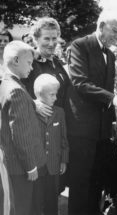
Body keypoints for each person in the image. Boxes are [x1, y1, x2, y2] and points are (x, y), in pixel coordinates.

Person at [66, 10, 117, 215]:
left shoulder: (110, 54)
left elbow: (108, 91)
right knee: (80, 184)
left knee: (97, 182)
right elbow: (80, 83)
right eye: (114, 30)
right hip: (82, 130)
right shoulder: (79, 46)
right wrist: (113, 98)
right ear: (100, 26)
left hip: (103, 132)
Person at [22, 17, 70, 193]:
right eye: (46, 39)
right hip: (37, 137)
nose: (51, 43)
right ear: (36, 39)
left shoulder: (57, 62)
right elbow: (13, 91)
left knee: (51, 192)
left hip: (57, 134)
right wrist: (34, 104)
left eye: (54, 38)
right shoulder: (29, 62)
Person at [0, 40, 46, 215]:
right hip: (21, 167)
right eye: (29, 62)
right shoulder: (16, 90)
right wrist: (30, 166)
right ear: (16, 60)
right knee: (22, 207)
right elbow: (20, 133)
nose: (32, 67)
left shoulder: (6, 84)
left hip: (11, 162)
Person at [33, 73, 69, 215]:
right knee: (36, 201)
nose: (55, 98)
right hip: (37, 166)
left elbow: (63, 138)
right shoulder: (31, 110)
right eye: (52, 95)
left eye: (56, 94)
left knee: (52, 201)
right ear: (40, 95)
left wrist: (64, 160)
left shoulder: (59, 112)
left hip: (54, 165)